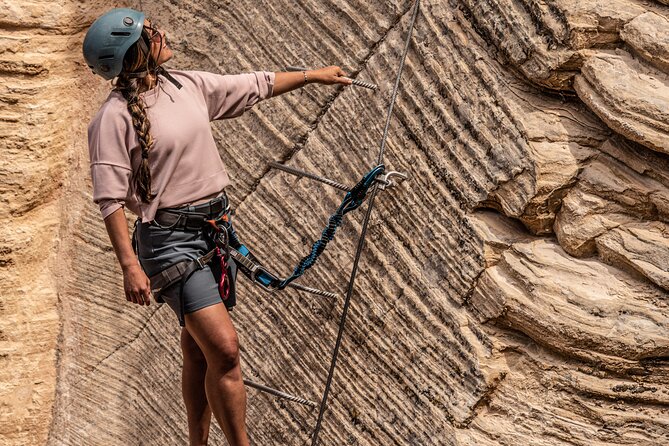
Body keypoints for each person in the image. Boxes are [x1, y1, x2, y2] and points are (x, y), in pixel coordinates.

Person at [83, 8, 352, 446]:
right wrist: (130, 267)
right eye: (150, 33)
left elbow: (252, 85)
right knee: (225, 350)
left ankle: (197, 442)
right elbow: (109, 198)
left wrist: (311, 75)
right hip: (170, 244)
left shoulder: (185, 84)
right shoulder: (112, 119)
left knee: (199, 349)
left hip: (211, 231)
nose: (161, 33)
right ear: (133, 53)